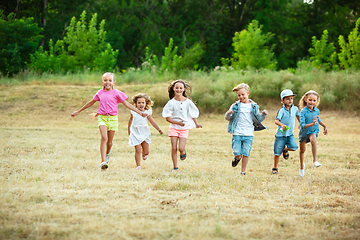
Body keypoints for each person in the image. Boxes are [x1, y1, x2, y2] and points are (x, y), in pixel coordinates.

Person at [71, 72, 148, 170]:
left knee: (109, 142)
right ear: (102, 82)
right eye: (105, 80)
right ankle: (103, 161)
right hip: (102, 117)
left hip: (113, 119)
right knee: (104, 137)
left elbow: (127, 105)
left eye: (110, 80)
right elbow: (90, 103)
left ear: (114, 83)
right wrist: (78, 111)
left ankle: (107, 155)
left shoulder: (117, 93)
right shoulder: (99, 93)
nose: (108, 82)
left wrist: (140, 112)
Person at [225, 83, 268, 176]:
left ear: (247, 93)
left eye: (243, 94)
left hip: (249, 133)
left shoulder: (254, 106)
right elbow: (228, 118)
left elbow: (259, 119)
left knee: (246, 153)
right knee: (237, 151)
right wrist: (228, 114)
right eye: (239, 95)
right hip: (237, 132)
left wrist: (264, 114)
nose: (241, 97)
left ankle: (243, 171)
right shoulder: (235, 105)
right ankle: (237, 157)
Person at [162, 79, 202, 171]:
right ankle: (175, 167)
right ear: (173, 89)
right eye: (177, 88)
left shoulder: (188, 102)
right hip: (174, 128)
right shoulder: (171, 103)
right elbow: (167, 118)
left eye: (181, 88)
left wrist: (196, 124)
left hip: (184, 128)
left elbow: (192, 114)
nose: (178, 90)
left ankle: (182, 152)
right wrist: (177, 123)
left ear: (184, 89)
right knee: (173, 148)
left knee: (180, 147)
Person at [128, 93, 163, 170]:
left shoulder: (147, 112)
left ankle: (144, 154)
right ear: (136, 104)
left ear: (146, 103)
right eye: (139, 103)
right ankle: (138, 165)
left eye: (143, 103)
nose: (141, 104)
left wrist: (158, 129)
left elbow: (152, 122)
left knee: (146, 152)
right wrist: (129, 131)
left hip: (144, 132)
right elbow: (130, 120)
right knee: (137, 149)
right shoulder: (133, 111)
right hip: (135, 131)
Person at [298, 90, 328, 177]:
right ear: (305, 99)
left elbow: (318, 119)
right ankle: (301, 166)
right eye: (310, 100)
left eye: (314, 100)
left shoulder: (317, 111)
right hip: (304, 132)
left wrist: (324, 126)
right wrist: (312, 123)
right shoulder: (303, 112)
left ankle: (315, 161)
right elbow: (302, 125)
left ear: (317, 101)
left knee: (313, 140)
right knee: (302, 150)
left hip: (313, 130)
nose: (312, 102)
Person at [272, 89, 300, 174]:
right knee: (277, 153)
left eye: (291, 98)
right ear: (282, 100)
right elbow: (276, 121)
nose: (290, 100)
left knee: (294, 147)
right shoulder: (282, 111)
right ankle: (275, 168)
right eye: (287, 99)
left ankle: (285, 149)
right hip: (280, 135)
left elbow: (298, 116)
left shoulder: (295, 109)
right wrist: (282, 125)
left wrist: (301, 124)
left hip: (290, 134)